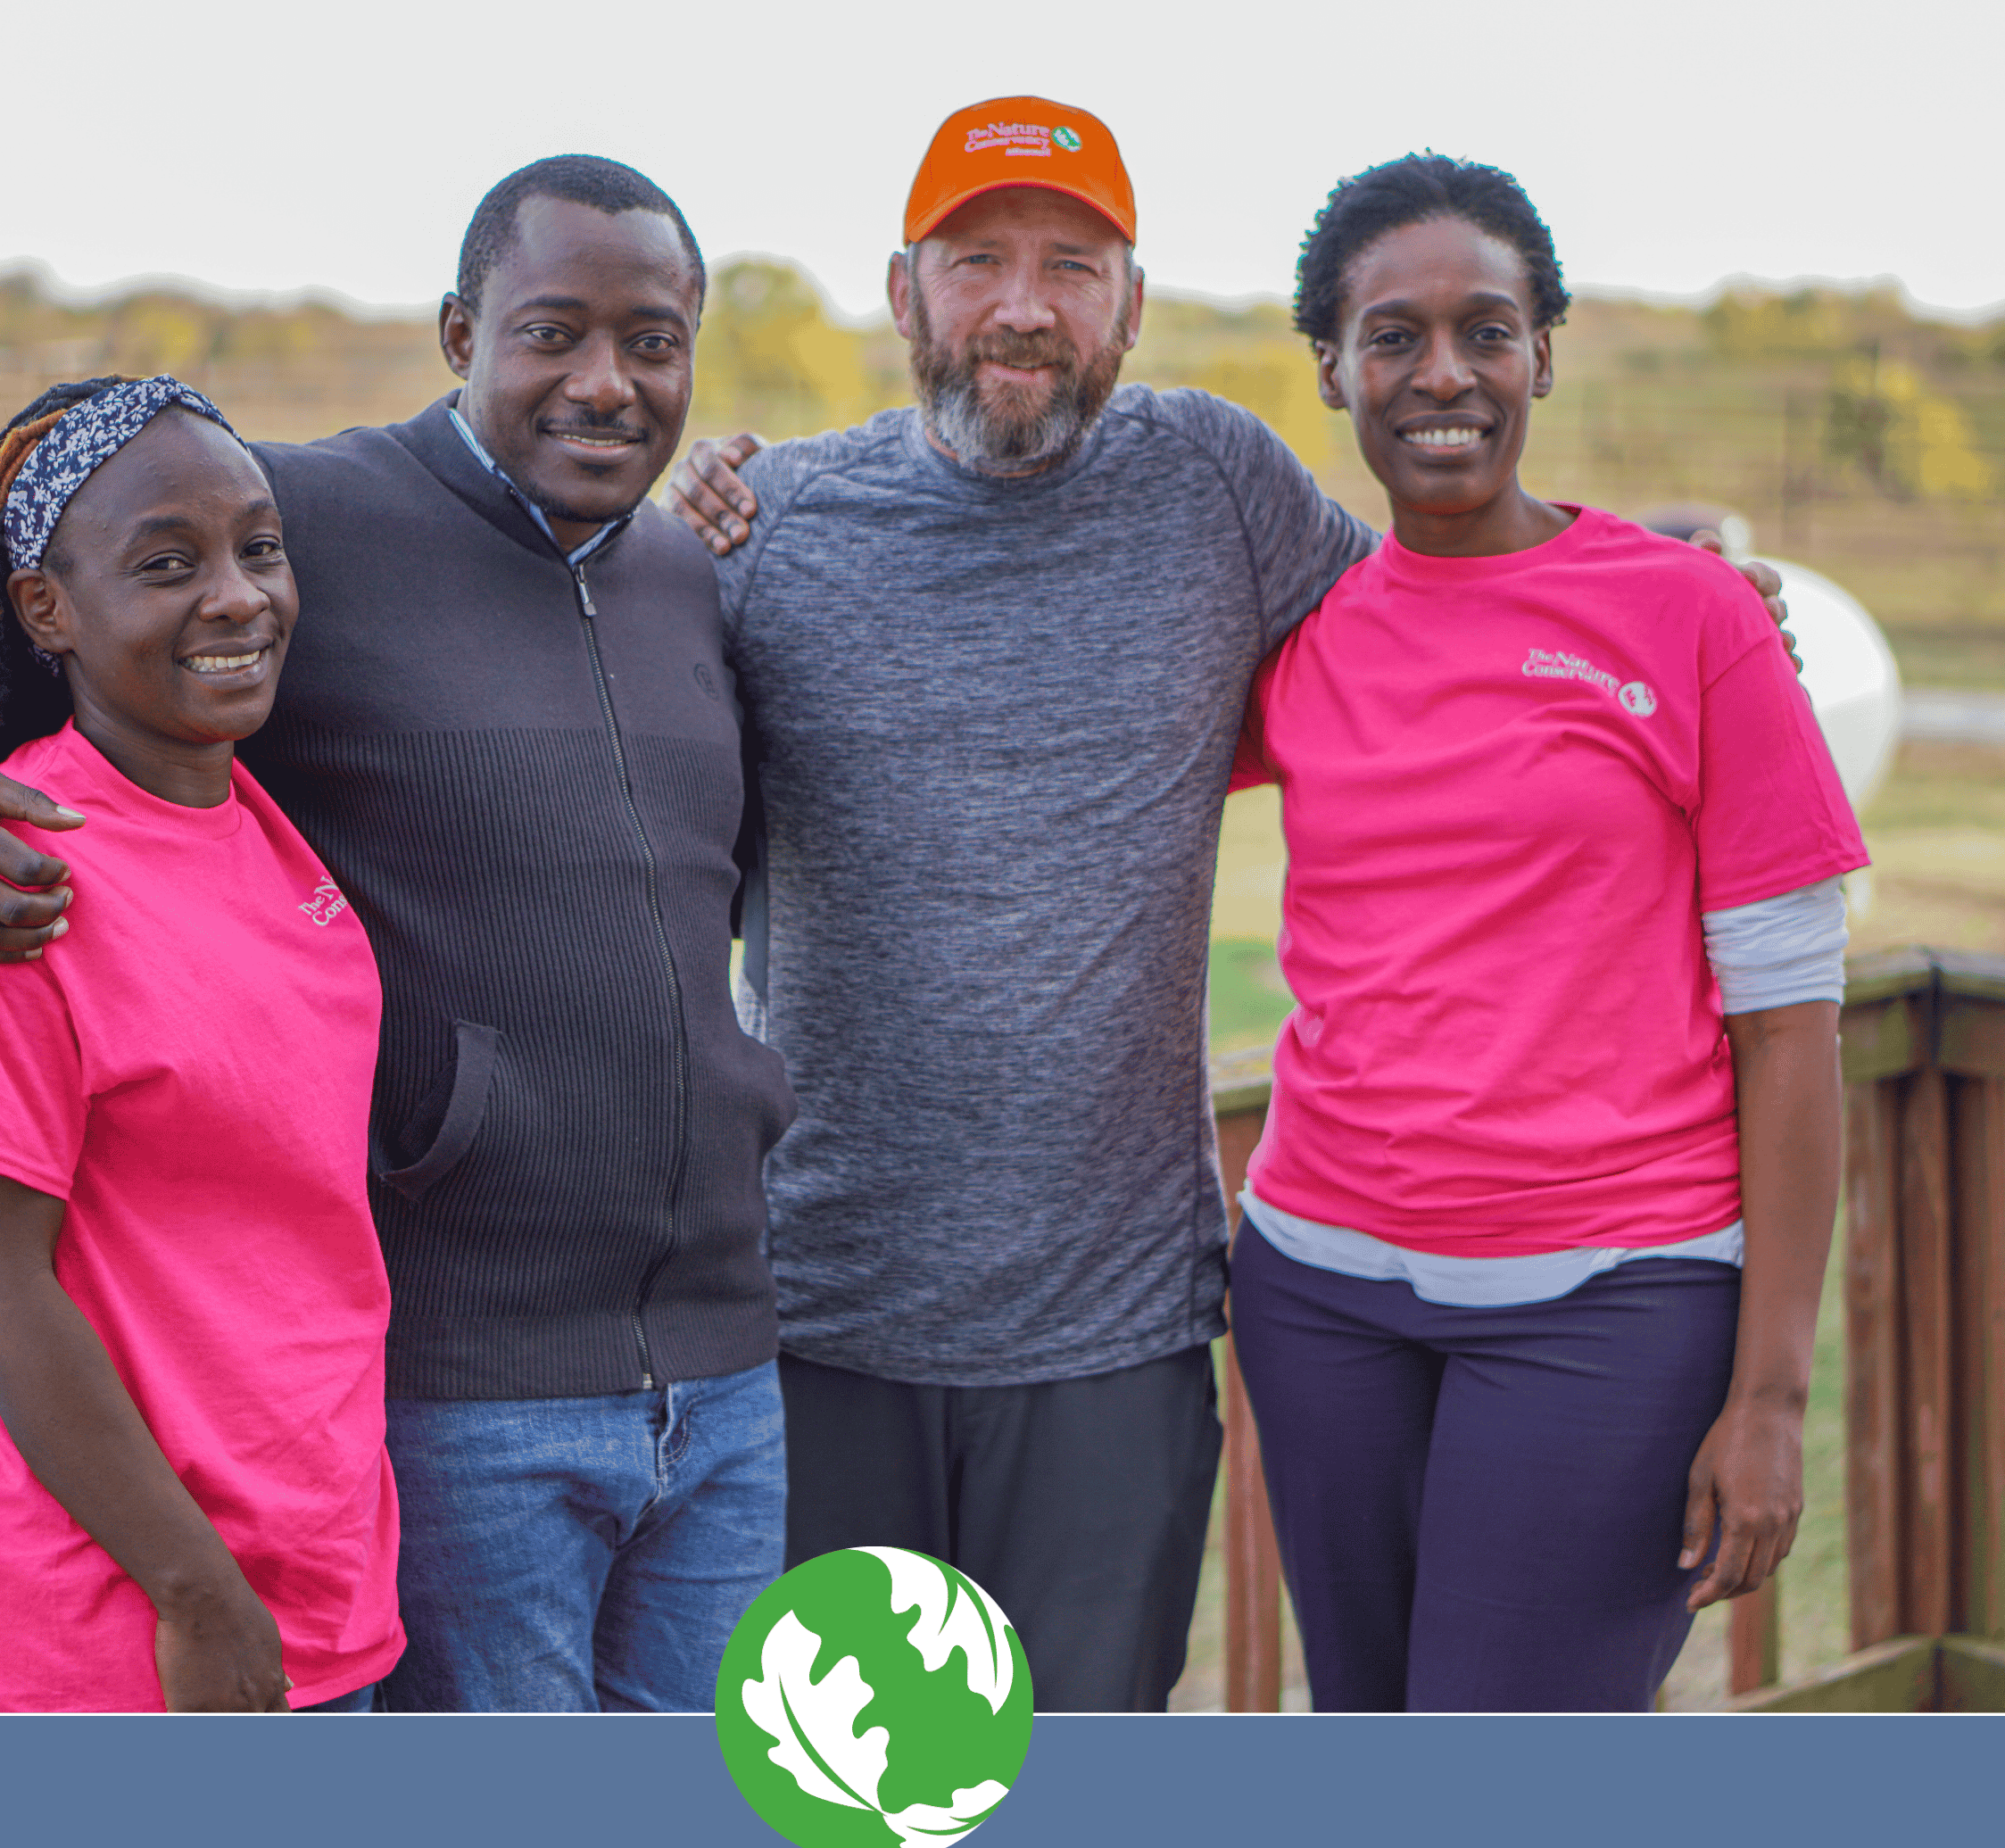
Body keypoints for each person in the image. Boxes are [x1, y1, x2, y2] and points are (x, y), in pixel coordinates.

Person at [667, 99, 1792, 1713]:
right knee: (858, 1806)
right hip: (822, 1319)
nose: (1023, 307)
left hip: (1114, 1335)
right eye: (976, 262)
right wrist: (672, 506)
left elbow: (1453, 591)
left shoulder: (1217, 487)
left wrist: (1675, 585)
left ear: (1131, 301)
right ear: (903, 295)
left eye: (1074, 264)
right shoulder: (767, 535)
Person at [0, 160, 791, 1713]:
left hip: (724, 1374)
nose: (605, 382)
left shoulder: (692, 567)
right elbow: (45, 660)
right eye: (552, 331)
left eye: (653, 339)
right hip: (473, 1393)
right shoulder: (311, 518)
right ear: (458, 332)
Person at [1223, 153, 1866, 1711]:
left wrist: (1769, 1396)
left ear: (1545, 354)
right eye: (1392, 335)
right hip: (1318, 1296)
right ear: (1332, 369)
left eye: (1486, 331)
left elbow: (1791, 1030)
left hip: (1613, 1305)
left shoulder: (1697, 619)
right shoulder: (1297, 629)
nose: (1441, 373)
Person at [0, 377, 402, 1712]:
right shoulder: (8, 883)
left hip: (316, 1576)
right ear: (46, 611)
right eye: (166, 564)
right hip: (120, 1621)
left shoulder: (261, 823)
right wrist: (197, 1593)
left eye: (259, 547)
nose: (239, 595)